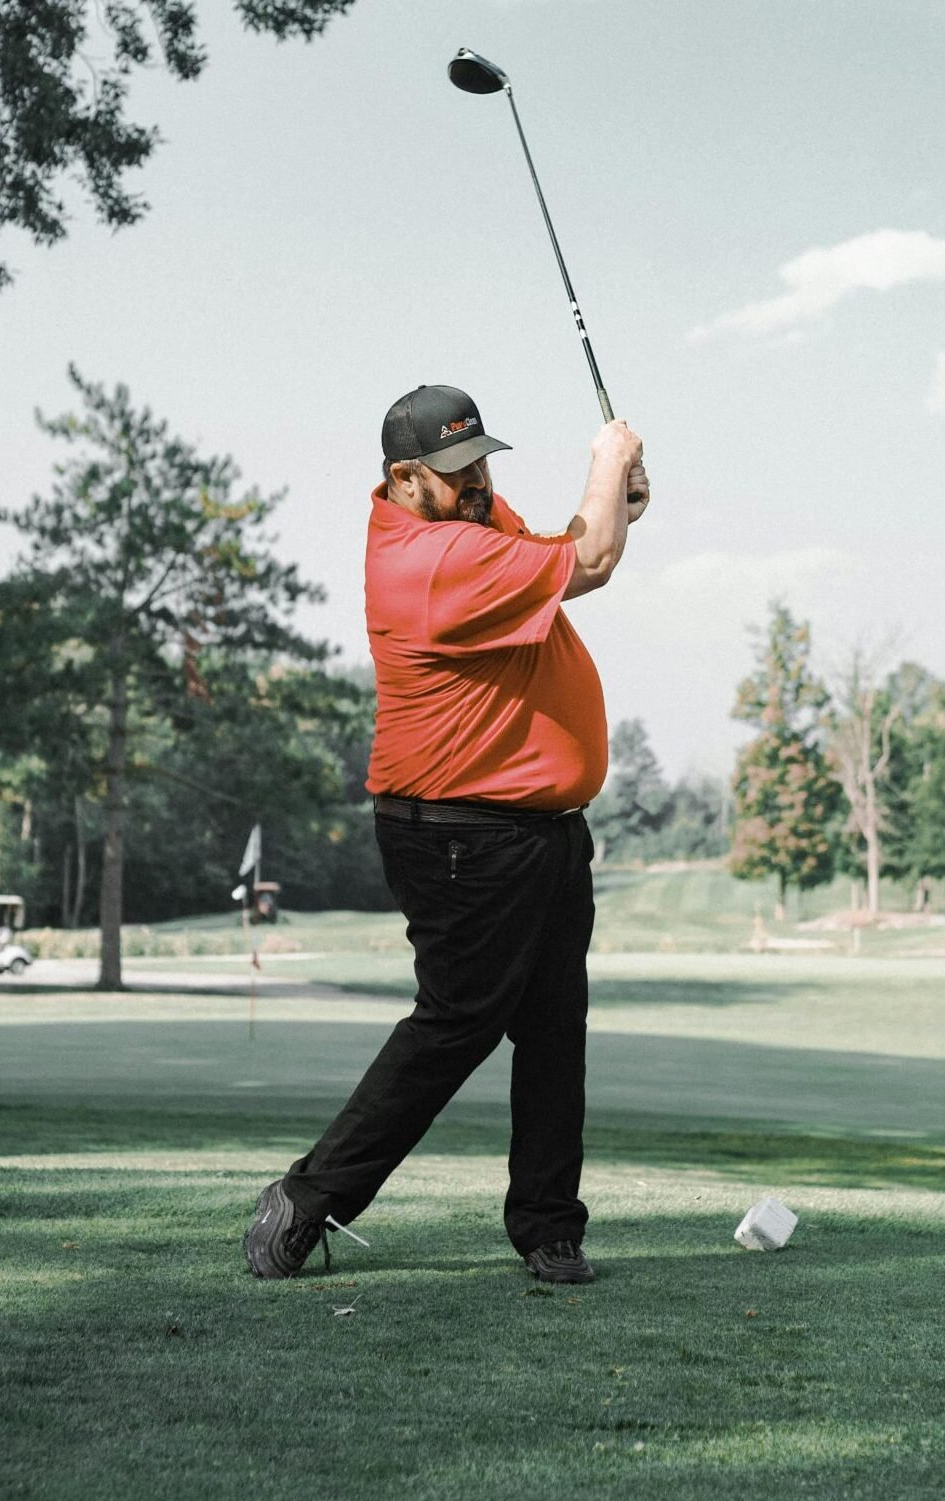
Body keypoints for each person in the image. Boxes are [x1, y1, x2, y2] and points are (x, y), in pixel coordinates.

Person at [243, 384, 647, 1284]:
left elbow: (561, 546)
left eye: (484, 462)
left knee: (554, 1027)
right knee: (457, 1022)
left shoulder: (466, 516)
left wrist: (616, 501)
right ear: (404, 478)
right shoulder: (427, 560)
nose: (479, 483)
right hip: (461, 833)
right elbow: (585, 563)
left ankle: (548, 1226)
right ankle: (304, 1202)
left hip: (539, 829)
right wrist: (607, 465)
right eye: (458, 471)